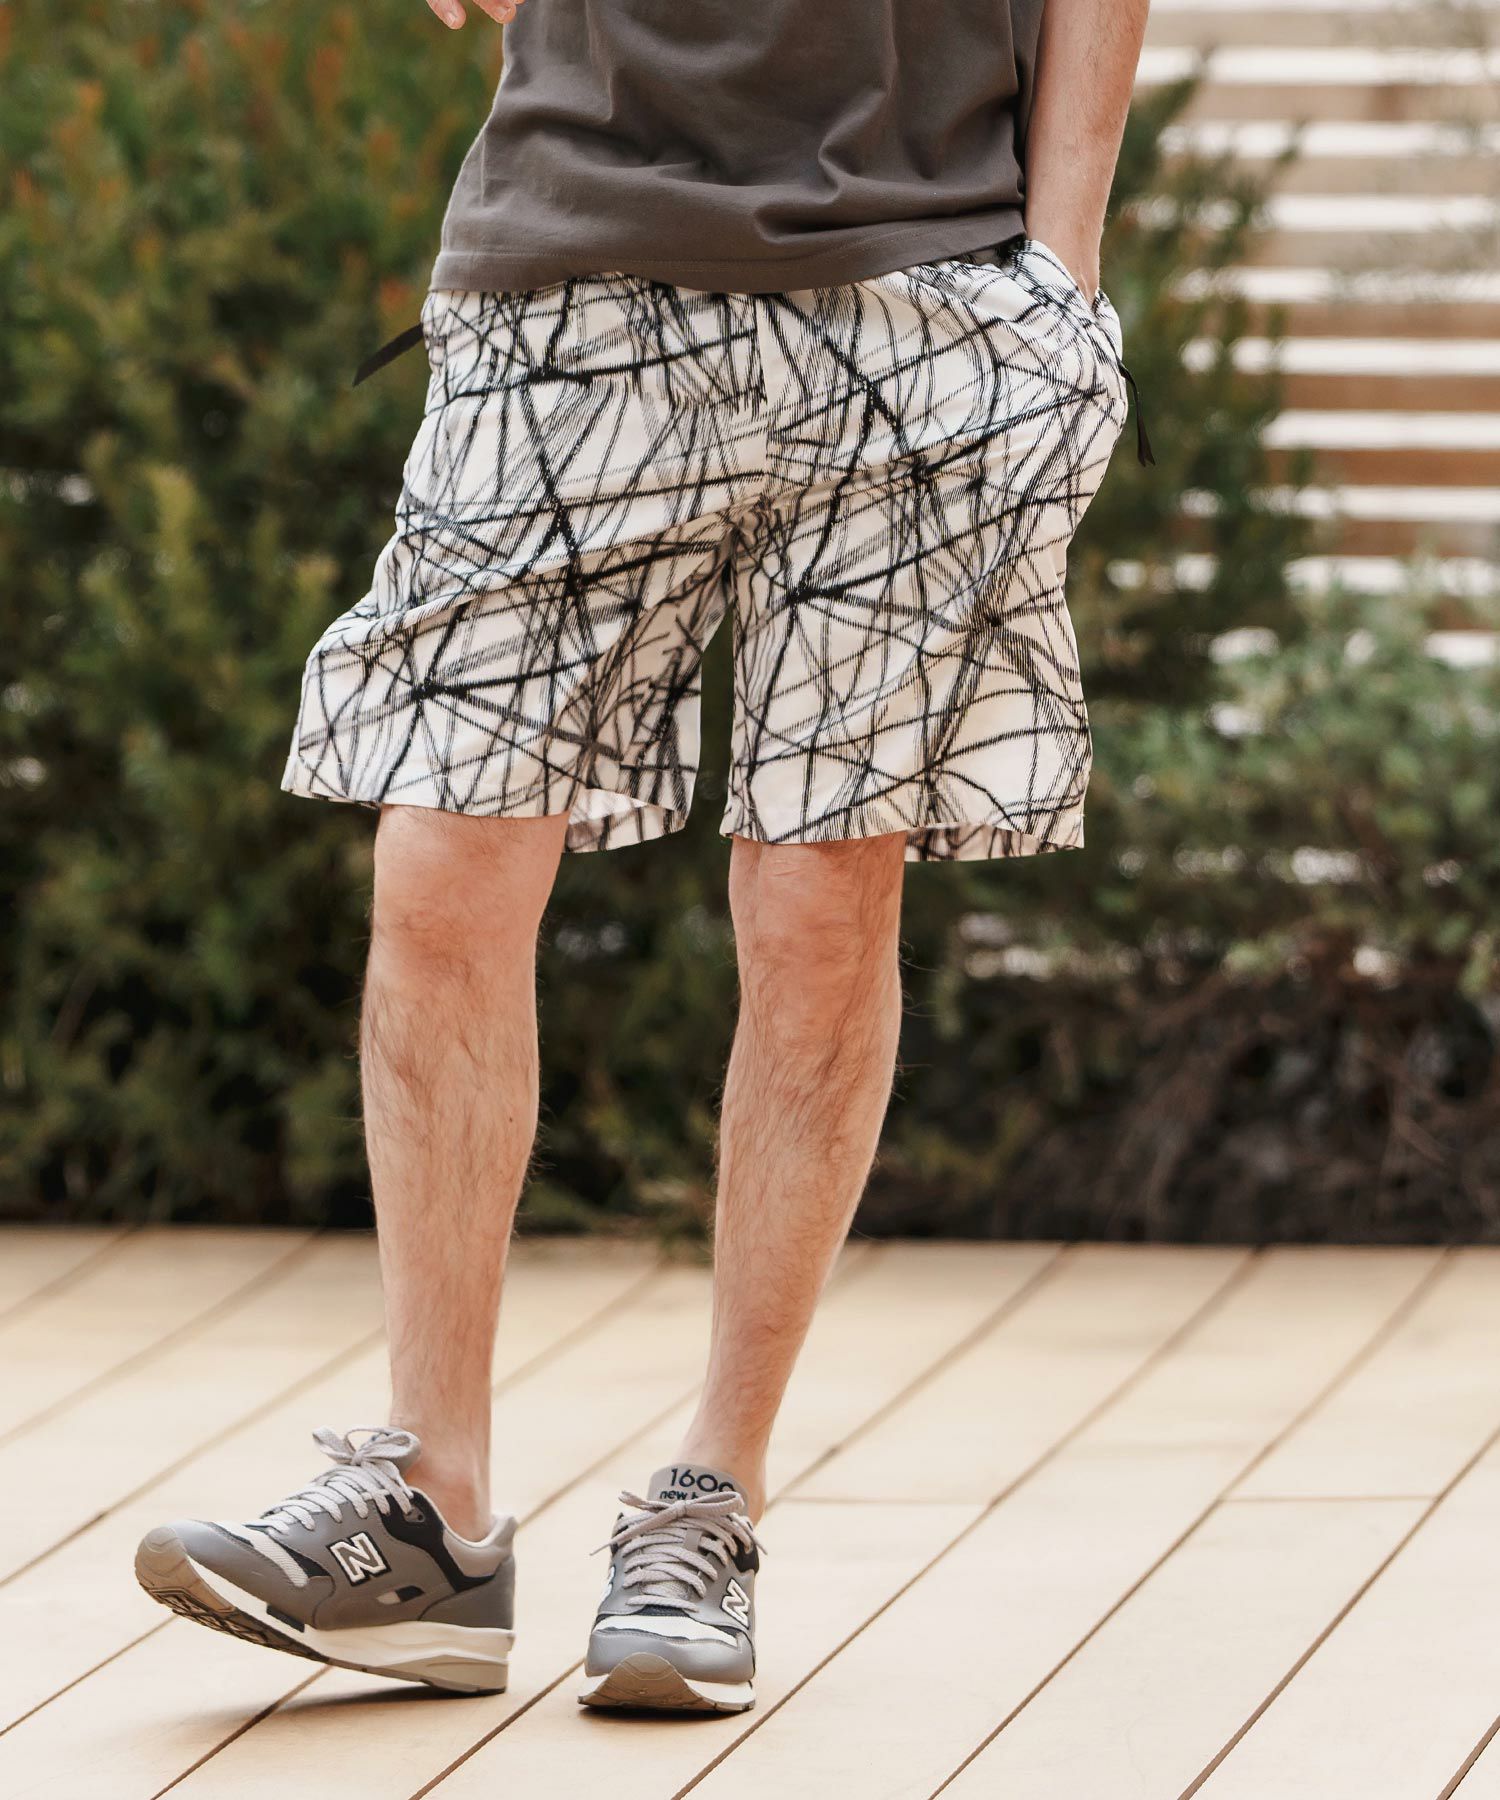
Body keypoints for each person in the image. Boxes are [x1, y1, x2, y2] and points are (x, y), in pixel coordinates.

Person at [134, 0, 1150, 1715]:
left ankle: (707, 1504)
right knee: (444, 856)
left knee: (820, 892)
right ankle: (428, 1513)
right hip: (574, 257)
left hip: (929, 281)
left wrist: (1061, 274)